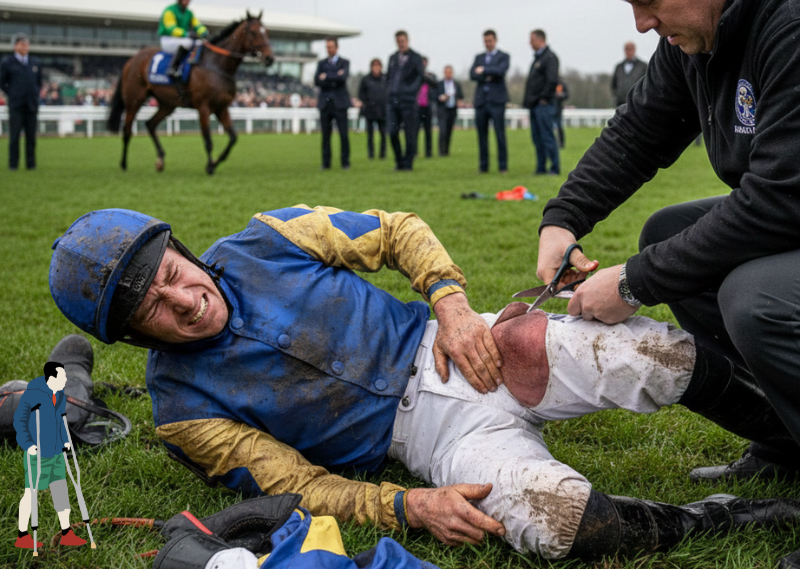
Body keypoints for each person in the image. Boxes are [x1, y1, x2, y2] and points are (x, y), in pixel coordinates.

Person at [48, 206, 800, 561]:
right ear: (133, 335)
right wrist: (408, 505)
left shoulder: (264, 238)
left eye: (172, 274)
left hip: (471, 345)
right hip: (433, 444)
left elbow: (396, 228)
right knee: (560, 525)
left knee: (661, 354)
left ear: (180, 249)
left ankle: (787, 440)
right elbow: (298, 487)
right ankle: (724, 518)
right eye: (153, 308)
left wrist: (451, 304)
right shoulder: (181, 411)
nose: (183, 300)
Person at [540, 0, 800, 565]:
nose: (642, 23)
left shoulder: (790, 13)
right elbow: (639, 130)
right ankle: (787, 445)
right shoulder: (707, 23)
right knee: (668, 234)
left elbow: (779, 199)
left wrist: (633, 283)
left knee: (757, 300)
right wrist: (563, 218)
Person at [13, 356, 88, 548]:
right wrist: (28, 444)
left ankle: (67, 533)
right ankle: (23, 535)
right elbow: (20, 422)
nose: (65, 380)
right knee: (31, 494)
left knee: (61, 492)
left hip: (56, 453)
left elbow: (60, 421)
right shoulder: (32, 396)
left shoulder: (60, 396)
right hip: (37, 453)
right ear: (51, 378)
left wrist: (65, 440)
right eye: (62, 377)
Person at [0, 34, 42, 171]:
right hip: (16, 106)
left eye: (26, 44)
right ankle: (13, 165)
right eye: (21, 44)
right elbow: (2, 82)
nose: (24, 47)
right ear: (15, 46)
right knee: (14, 136)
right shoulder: (7, 62)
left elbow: (38, 82)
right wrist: (12, 93)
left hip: (31, 105)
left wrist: (34, 94)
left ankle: (31, 164)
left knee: (31, 137)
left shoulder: (35, 62)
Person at [470, 30, 509, 173]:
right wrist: (489, 74)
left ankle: (502, 166)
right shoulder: (479, 57)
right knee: (482, 136)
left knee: (500, 134)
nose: (488, 44)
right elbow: (472, 74)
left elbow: (500, 71)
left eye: (490, 41)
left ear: (495, 40)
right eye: (485, 41)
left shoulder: (503, 56)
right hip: (481, 101)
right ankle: (483, 166)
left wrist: (483, 70)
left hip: (497, 101)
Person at [386, 31, 425, 171]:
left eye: (402, 41)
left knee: (410, 133)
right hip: (393, 100)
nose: (401, 44)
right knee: (392, 132)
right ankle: (399, 161)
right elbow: (389, 77)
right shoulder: (392, 58)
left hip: (408, 101)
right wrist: (389, 91)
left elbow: (420, 77)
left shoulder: (416, 58)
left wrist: (410, 91)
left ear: (407, 40)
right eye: (398, 41)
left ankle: (408, 163)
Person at [523, 30, 560, 175]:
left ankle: (554, 167)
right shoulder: (538, 58)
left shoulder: (550, 57)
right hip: (534, 104)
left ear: (540, 40)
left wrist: (544, 98)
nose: (530, 43)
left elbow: (552, 80)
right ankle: (541, 167)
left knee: (547, 136)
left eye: (532, 40)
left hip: (543, 104)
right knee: (537, 138)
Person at [314, 37, 351, 170]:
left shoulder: (345, 62)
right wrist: (335, 75)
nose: (329, 49)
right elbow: (317, 80)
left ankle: (345, 162)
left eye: (331, 47)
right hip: (325, 104)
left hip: (340, 104)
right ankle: (326, 163)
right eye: (327, 47)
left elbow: (342, 78)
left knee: (343, 135)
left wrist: (327, 76)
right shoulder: (321, 63)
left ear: (336, 47)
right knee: (326, 136)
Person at [158, 0, 208, 81]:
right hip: (168, 39)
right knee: (188, 42)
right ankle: (173, 68)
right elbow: (171, 29)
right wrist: (186, 34)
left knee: (200, 43)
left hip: (182, 38)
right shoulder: (169, 10)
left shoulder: (189, 13)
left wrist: (204, 32)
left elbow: (197, 24)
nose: (188, 0)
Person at [358, 59, 387, 159]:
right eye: (374, 65)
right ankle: (371, 154)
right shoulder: (366, 79)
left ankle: (382, 154)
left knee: (383, 133)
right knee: (370, 134)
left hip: (382, 110)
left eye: (378, 65)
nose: (376, 68)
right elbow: (361, 93)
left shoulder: (385, 79)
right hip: (370, 110)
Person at [436, 65, 463, 157]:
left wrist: (459, 101)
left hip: (452, 110)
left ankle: (446, 151)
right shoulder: (439, 84)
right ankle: (441, 151)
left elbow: (460, 96)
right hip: (443, 109)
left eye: (450, 72)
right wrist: (441, 97)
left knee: (449, 131)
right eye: (447, 72)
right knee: (442, 131)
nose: (448, 74)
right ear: (444, 73)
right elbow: (434, 96)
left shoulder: (456, 84)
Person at [611, 42, 648, 107]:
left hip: (637, 103)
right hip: (621, 103)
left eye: (631, 49)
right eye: (627, 49)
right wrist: (617, 95)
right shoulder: (619, 67)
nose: (629, 51)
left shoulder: (643, 66)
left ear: (634, 50)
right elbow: (614, 84)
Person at [417, 58, 437, 159]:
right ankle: (414, 152)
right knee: (414, 131)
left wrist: (424, 76)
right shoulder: (415, 77)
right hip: (417, 108)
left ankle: (428, 152)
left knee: (428, 131)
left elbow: (435, 84)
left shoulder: (430, 76)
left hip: (427, 107)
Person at [554, 77, 570, 149]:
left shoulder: (561, 83)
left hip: (558, 108)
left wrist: (560, 95)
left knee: (559, 126)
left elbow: (567, 95)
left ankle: (561, 143)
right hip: (550, 107)